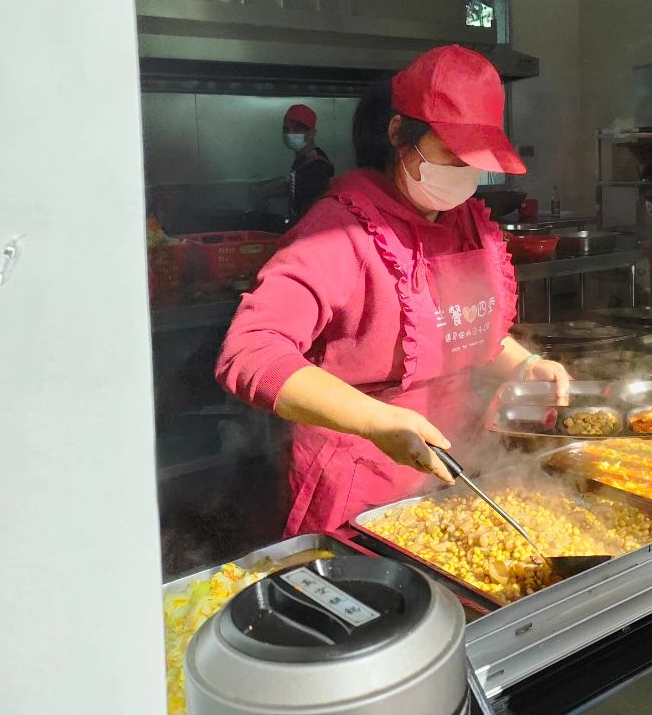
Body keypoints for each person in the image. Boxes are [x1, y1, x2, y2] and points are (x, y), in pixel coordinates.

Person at [216, 46, 570, 536]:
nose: (464, 173)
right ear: (400, 133)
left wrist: (525, 365)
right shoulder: (339, 231)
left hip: (459, 467)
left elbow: (459, 330)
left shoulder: (466, 222)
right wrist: (377, 422)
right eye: (451, 154)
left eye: (475, 160)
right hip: (361, 480)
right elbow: (250, 352)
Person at [282, 103, 334, 222]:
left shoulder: (317, 167)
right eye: (286, 129)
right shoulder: (303, 161)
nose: (290, 134)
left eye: (297, 130)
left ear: (312, 133)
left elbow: (312, 212)